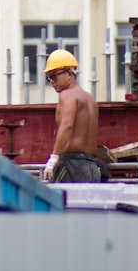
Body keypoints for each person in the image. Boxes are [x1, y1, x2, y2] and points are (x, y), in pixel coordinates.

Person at [42, 49, 107, 183]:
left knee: (62, 203)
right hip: (91, 166)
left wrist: (54, 158)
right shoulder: (90, 99)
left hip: (72, 165)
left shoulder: (67, 95)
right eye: (49, 78)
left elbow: (67, 125)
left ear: (70, 74)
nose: (52, 81)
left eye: (54, 76)